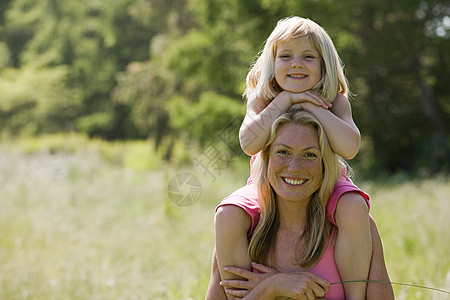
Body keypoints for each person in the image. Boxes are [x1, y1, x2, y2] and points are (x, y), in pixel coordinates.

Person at [211, 16, 372, 298]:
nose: (296, 63)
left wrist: (315, 106)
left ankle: (356, 294)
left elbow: (349, 147)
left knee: (355, 208)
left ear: (325, 66)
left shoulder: (334, 99)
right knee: (228, 215)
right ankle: (242, 293)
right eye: (286, 56)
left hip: (327, 182)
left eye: (308, 56)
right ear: (272, 64)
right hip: (266, 182)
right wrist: (286, 100)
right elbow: (249, 143)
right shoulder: (263, 97)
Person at [206, 110, 394, 299]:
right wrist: (272, 286)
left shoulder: (355, 226)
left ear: (324, 164)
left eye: (309, 155)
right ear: (267, 158)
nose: (294, 167)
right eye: (283, 152)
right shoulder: (237, 228)